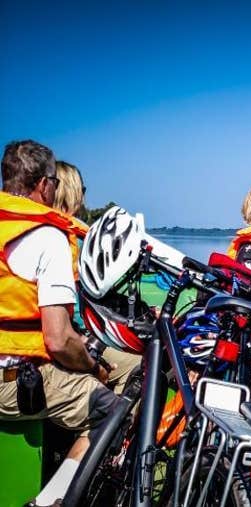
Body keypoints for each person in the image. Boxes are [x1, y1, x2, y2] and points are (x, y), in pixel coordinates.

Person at [0, 141, 120, 506]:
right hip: (11, 383)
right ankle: (48, 501)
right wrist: (94, 367)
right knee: (113, 413)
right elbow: (58, 340)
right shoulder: (47, 237)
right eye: (54, 181)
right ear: (44, 185)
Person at [52, 160, 141, 396]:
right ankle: (115, 417)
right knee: (140, 366)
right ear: (71, 192)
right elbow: (81, 310)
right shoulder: (73, 239)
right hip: (74, 336)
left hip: (50, 337)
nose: (83, 196)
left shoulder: (37, 232)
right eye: (82, 189)